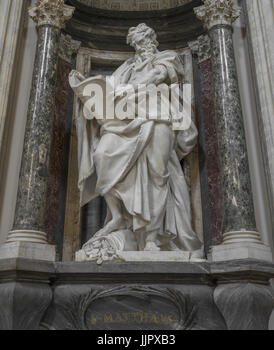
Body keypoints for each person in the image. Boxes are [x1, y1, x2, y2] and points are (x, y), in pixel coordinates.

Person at [70, 23, 202, 256]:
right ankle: (119, 217)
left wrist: (130, 89)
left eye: (143, 40)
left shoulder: (167, 57)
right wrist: (87, 86)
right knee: (102, 155)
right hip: (126, 121)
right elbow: (109, 89)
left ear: (152, 40)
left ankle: (152, 237)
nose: (141, 46)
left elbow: (158, 75)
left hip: (159, 117)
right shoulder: (127, 67)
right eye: (136, 43)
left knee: (157, 174)